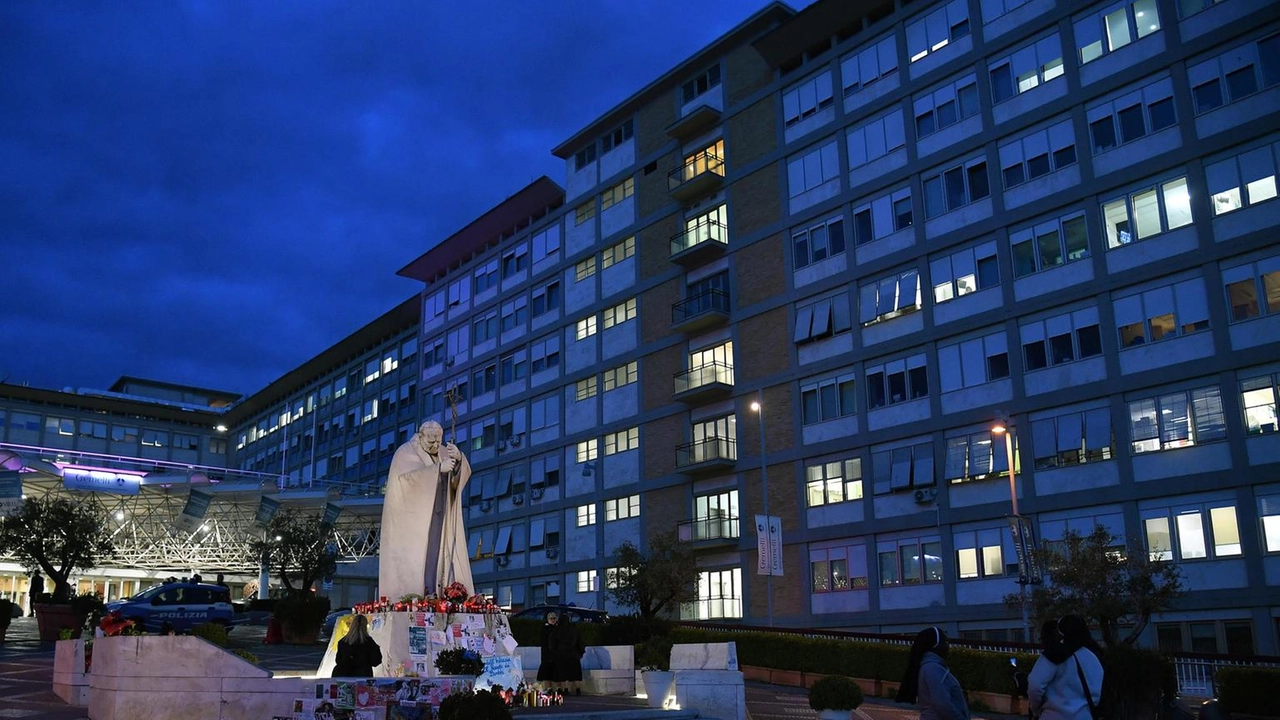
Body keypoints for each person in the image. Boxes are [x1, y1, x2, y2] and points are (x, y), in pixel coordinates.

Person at [379, 420, 473, 601]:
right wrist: (437, 469)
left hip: (441, 517)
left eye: (438, 441)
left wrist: (459, 459)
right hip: (415, 524)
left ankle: (441, 595)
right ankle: (415, 596)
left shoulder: (444, 451)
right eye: (431, 442)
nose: (436, 445)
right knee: (421, 562)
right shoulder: (405, 453)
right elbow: (405, 482)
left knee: (439, 559)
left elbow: (458, 481)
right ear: (420, 437)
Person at [1028, 615, 1104, 720]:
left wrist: (1035, 710)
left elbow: (1035, 686)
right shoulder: (1094, 655)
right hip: (1085, 715)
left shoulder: (1054, 654)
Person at [896, 627, 970, 720]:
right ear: (935, 645)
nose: (948, 647)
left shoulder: (932, 667)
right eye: (945, 642)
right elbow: (943, 704)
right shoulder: (932, 668)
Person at [537, 611, 585, 695]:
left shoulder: (557, 630)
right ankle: (578, 690)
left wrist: (554, 652)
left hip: (561, 655)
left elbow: (551, 643)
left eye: (554, 618)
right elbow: (580, 642)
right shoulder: (574, 630)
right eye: (551, 618)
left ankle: (565, 690)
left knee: (564, 675)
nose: (553, 620)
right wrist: (580, 653)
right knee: (575, 674)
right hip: (573, 655)